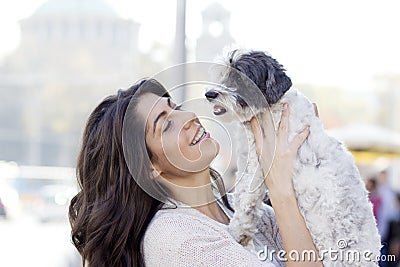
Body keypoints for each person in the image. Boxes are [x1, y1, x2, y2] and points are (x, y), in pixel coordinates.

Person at [68, 78, 321, 266]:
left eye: (175, 107)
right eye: (166, 124)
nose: (188, 116)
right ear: (149, 168)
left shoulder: (242, 210)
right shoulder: (174, 239)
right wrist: (279, 189)